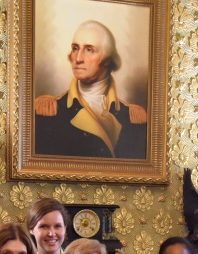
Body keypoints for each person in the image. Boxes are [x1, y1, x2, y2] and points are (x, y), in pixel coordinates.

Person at [34, 20, 147, 159]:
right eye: (75, 48)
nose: (78, 58)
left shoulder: (131, 117)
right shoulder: (50, 113)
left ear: (107, 59)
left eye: (89, 50)